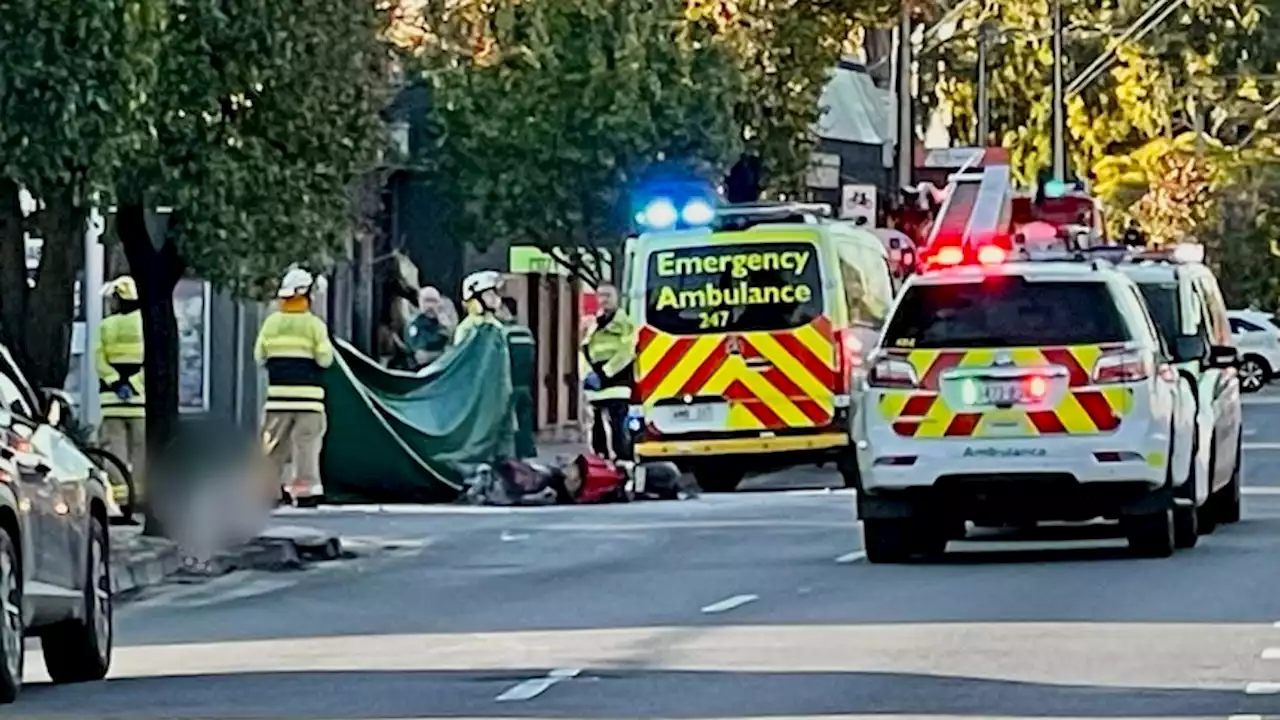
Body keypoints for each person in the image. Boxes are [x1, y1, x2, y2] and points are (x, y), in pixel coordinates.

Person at [254, 266, 334, 507]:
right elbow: (325, 359)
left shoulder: (271, 324)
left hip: (278, 398)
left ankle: (269, 491)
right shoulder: (314, 325)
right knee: (306, 447)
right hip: (309, 400)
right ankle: (306, 492)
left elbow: (259, 356)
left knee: (273, 446)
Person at [96, 275, 146, 499]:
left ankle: (120, 496)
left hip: (111, 402)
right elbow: (152, 362)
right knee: (141, 450)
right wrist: (133, 384)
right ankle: (141, 494)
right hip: (140, 401)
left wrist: (116, 382)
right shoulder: (146, 324)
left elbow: (99, 361)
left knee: (114, 451)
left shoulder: (106, 326)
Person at [581, 283, 635, 461]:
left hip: (617, 381)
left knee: (618, 426)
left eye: (608, 295)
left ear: (617, 298)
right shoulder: (594, 324)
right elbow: (585, 349)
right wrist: (587, 374)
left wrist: (604, 373)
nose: (604, 300)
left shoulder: (625, 323)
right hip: (597, 385)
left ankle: (623, 463)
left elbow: (627, 352)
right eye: (601, 296)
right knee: (596, 427)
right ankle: (601, 460)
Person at [497, 296, 537, 459]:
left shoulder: (501, 332)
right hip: (525, 384)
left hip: (508, 384)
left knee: (509, 426)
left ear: (505, 310)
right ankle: (526, 454)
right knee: (524, 421)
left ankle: (511, 458)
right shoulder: (526, 332)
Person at [403, 286, 452, 369]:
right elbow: (421, 357)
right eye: (427, 301)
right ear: (419, 302)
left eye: (434, 301)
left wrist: (448, 328)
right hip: (420, 372)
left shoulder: (444, 322)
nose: (430, 305)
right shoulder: (415, 324)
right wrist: (445, 353)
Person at [453, 270, 505, 346]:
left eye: (494, 293)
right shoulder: (467, 329)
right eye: (488, 294)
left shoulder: (496, 325)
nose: (494, 298)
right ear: (475, 300)